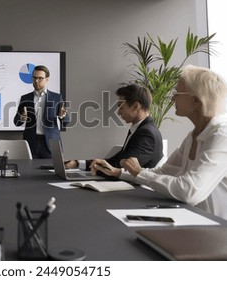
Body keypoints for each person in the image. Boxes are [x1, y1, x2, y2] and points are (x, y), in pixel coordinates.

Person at [95, 65, 227, 220]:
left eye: (177, 93)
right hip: (196, 219)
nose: (172, 98)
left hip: (218, 228)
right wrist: (121, 173)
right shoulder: (192, 136)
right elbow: (163, 172)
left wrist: (139, 172)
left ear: (196, 100)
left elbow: (190, 191)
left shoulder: (221, 136)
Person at [65, 84, 163, 174]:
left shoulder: (147, 134)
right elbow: (115, 161)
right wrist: (77, 163)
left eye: (121, 107)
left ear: (136, 106)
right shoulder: (140, 129)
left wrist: (93, 168)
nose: (118, 113)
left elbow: (119, 167)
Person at [13, 65, 69, 159]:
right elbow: (16, 122)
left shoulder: (56, 98)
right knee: (28, 171)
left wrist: (63, 116)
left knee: (51, 172)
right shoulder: (25, 98)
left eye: (40, 78)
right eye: (34, 77)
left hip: (50, 143)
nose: (36, 80)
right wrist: (22, 118)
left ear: (47, 79)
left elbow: (66, 121)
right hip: (31, 142)